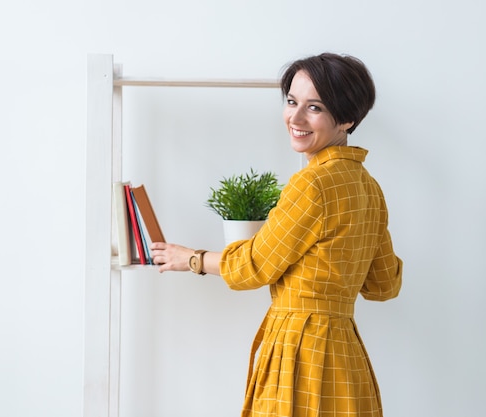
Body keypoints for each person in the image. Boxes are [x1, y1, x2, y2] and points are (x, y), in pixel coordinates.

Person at [150, 52, 403, 417]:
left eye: (314, 107)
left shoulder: (312, 183)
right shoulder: (368, 188)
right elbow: (384, 285)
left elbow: (253, 267)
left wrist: (191, 258)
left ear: (348, 118)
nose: (295, 118)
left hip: (299, 352)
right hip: (345, 358)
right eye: (291, 102)